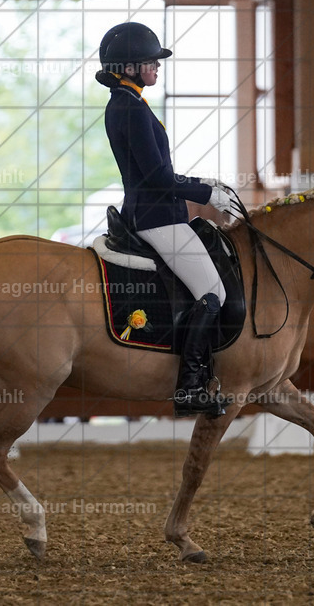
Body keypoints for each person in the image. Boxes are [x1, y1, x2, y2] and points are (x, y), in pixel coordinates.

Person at [95, 22, 232, 417]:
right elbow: (156, 177)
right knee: (212, 293)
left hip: (157, 212)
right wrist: (206, 194)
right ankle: (190, 386)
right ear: (129, 67)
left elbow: (157, 172)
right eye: (149, 61)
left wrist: (201, 183)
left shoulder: (129, 102)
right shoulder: (130, 107)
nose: (157, 66)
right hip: (158, 218)